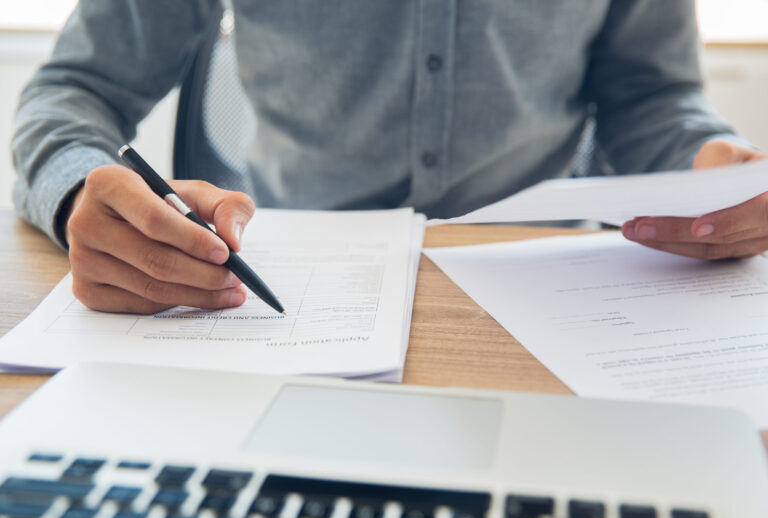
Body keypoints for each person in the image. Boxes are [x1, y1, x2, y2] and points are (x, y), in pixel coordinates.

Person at [12, 0, 768, 314]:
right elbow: (74, 89)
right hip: (291, 289)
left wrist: (707, 164)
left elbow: (650, 97)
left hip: (544, 292)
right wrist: (80, 191)